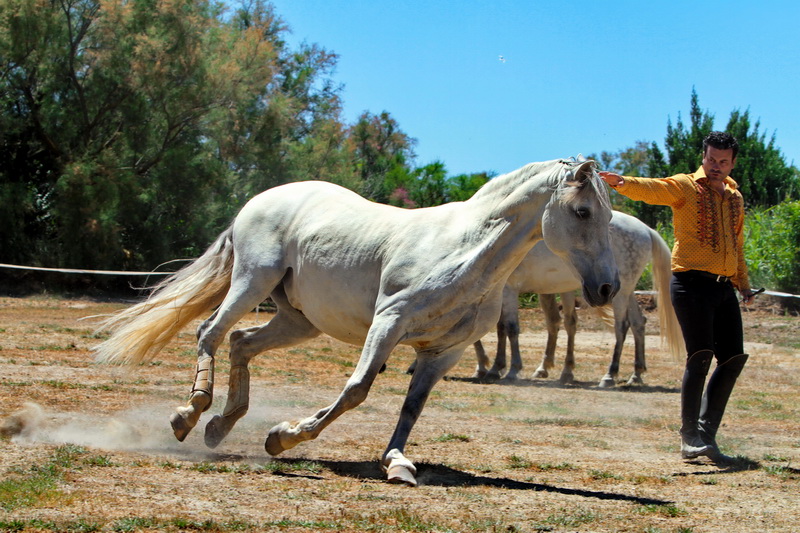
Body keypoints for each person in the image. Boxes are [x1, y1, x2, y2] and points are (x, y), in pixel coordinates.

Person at [599, 131, 757, 463]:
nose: (716, 166)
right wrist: (621, 182)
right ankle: (688, 438)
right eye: (711, 159)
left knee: (732, 359)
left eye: (723, 161)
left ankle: (706, 435)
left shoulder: (735, 198)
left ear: (733, 162)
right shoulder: (686, 186)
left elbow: (737, 244)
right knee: (701, 355)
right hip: (689, 284)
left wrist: (742, 284)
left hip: (723, 286)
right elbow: (655, 188)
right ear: (704, 156)